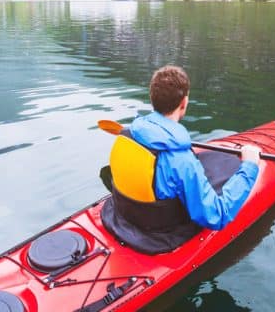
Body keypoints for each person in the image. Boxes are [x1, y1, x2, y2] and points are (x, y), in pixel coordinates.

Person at [101, 65, 260, 254]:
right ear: (184, 103)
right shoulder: (181, 160)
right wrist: (250, 165)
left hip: (120, 216)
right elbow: (216, 216)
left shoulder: (126, 134)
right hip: (158, 236)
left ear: (152, 99)